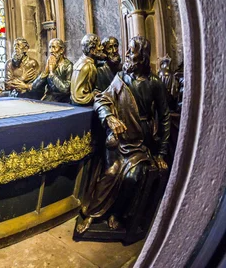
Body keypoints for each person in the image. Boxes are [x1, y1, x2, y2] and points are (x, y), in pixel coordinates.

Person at [76, 36, 170, 234]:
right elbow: (101, 100)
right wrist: (110, 118)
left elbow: (165, 118)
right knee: (110, 173)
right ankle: (93, 215)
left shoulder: (154, 84)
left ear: (142, 57)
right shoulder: (121, 78)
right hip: (118, 140)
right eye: (127, 50)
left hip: (140, 142)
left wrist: (161, 153)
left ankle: (117, 214)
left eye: (132, 51)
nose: (127, 54)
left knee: (132, 177)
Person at [31, 38, 73, 102]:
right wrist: (45, 72)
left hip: (63, 100)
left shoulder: (68, 65)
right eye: (50, 47)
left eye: (54, 47)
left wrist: (52, 73)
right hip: (49, 99)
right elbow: (34, 87)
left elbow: (65, 89)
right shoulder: (49, 64)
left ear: (61, 50)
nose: (51, 51)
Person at [70, 34, 106, 106]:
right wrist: (94, 95)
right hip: (83, 104)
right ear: (92, 50)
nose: (102, 48)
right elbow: (79, 98)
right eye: (99, 46)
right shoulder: (88, 66)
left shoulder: (81, 61)